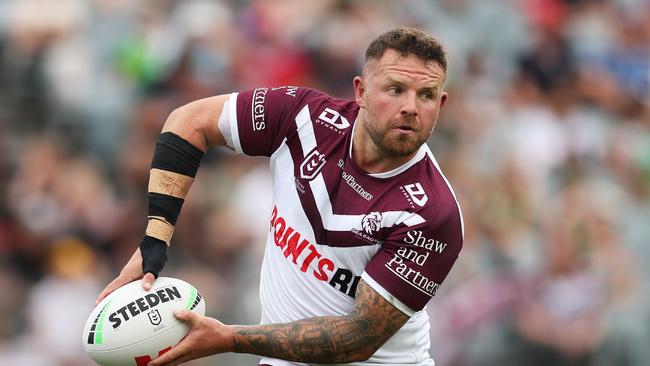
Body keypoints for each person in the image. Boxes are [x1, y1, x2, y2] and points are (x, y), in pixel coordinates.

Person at [96, 27, 464, 366]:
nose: (411, 107)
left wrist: (230, 338)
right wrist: (154, 241)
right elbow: (188, 122)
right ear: (362, 91)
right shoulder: (303, 117)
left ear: (441, 104)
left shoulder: (431, 212)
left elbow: (359, 338)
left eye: (426, 95)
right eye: (395, 89)